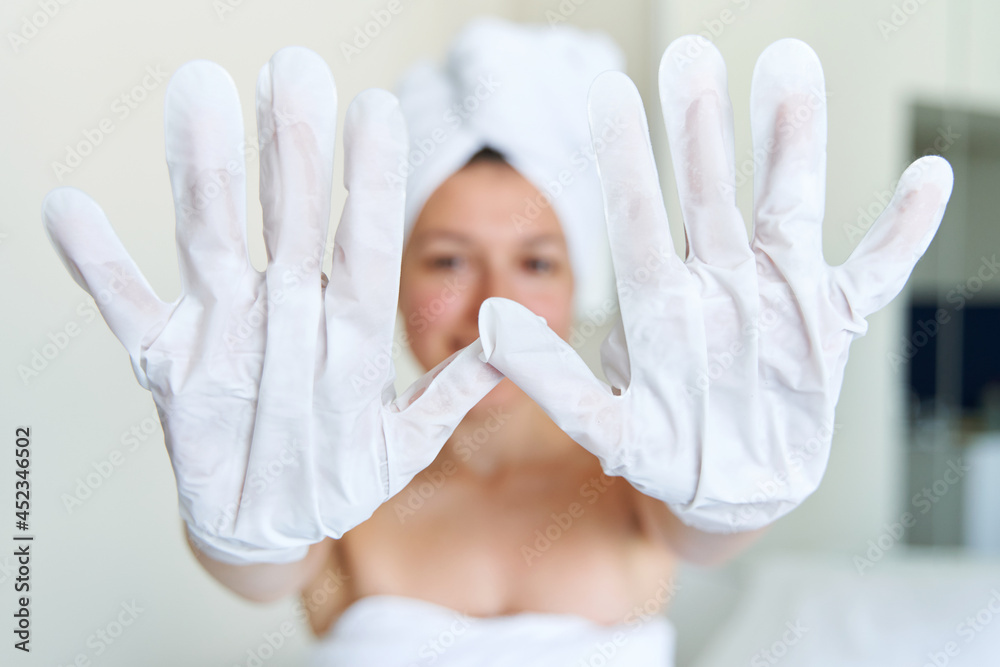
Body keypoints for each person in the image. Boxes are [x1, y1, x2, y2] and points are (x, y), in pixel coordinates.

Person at [41, 17, 953, 667]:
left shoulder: (650, 468)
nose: (494, 308)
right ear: (386, 279)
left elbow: (705, 529)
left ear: (582, 281)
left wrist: (741, 499)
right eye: (446, 259)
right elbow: (264, 574)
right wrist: (239, 539)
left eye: (536, 261)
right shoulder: (332, 476)